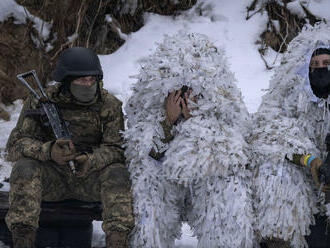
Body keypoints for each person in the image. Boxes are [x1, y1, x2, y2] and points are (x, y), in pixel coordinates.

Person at [124, 32, 255, 248]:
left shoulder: (225, 106)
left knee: (227, 184)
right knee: (148, 185)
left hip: (205, 182)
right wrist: (168, 122)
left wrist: (196, 123)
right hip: (165, 180)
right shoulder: (150, 107)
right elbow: (143, 151)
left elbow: (234, 148)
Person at [5, 47, 134, 248]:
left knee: (118, 173)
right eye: (81, 80)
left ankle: (118, 242)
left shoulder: (108, 104)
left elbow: (116, 149)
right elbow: (14, 146)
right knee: (24, 168)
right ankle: (23, 240)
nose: (88, 84)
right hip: (51, 179)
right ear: (66, 81)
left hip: (89, 180)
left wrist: (90, 161)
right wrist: (49, 151)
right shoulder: (42, 101)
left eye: (92, 80)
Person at [251, 23, 330, 248]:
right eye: (314, 65)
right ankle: (279, 237)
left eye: (326, 63)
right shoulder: (288, 97)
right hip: (304, 180)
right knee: (272, 169)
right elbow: (269, 132)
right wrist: (309, 160)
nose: (321, 69)